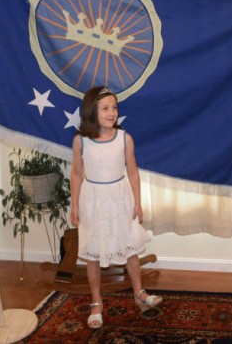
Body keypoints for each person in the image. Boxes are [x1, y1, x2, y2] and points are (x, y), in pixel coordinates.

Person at [70, 86, 162, 329]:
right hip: (93, 201)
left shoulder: (124, 138)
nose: (112, 113)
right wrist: (75, 203)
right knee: (92, 252)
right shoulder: (81, 141)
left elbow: (133, 172)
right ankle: (96, 302)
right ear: (92, 111)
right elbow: (77, 174)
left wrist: (137, 202)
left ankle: (139, 291)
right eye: (105, 108)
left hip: (120, 199)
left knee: (129, 247)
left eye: (114, 107)